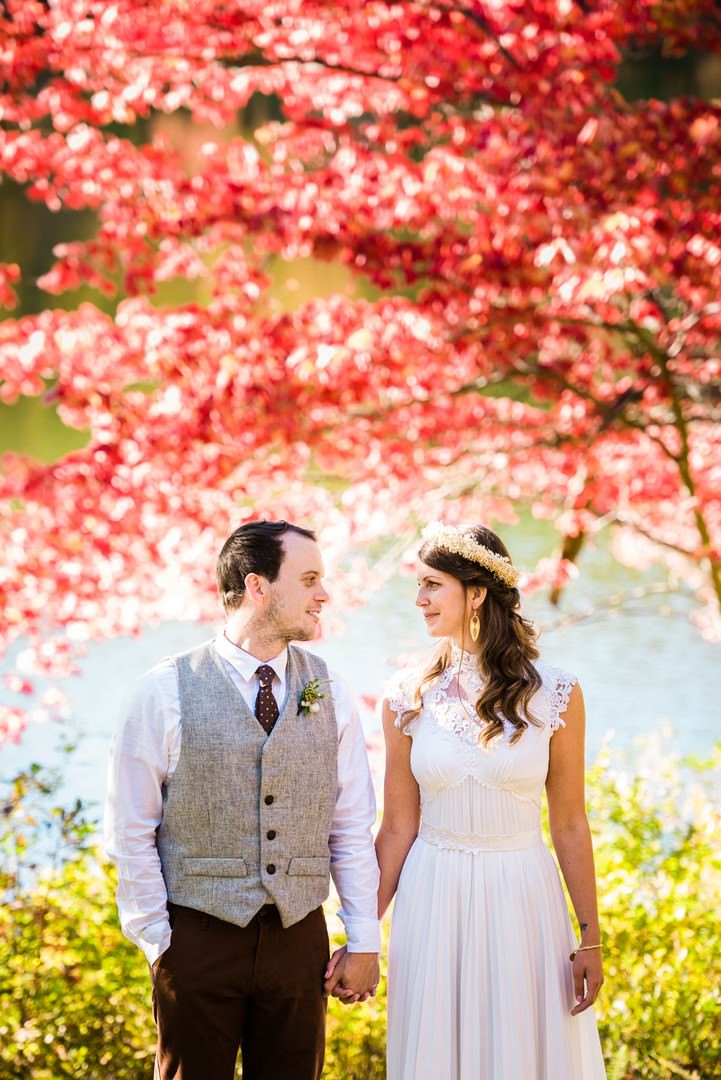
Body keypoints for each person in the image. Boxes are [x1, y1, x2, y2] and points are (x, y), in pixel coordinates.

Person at [105, 520, 380, 1080]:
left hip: (299, 939)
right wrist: (159, 942)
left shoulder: (330, 690)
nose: (324, 594)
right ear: (258, 586)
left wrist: (364, 941)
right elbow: (130, 829)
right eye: (309, 579)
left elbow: (350, 825)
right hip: (197, 939)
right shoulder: (162, 690)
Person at [375, 521, 606, 1079]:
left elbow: (570, 824)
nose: (419, 598)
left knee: (520, 1049)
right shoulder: (407, 695)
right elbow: (398, 827)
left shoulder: (555, 694)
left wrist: (591, 939)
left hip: (522, 895)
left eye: (433, 584)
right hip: (432, 895)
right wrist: (359, 934)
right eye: (419, 584)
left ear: (476, 593)